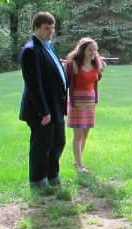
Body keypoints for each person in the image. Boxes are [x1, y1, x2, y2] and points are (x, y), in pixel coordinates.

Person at [19, 12, 68, 193]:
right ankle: (38, 180)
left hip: (55, 107)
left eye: (53, 27)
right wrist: (44, 112)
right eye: (47, 28)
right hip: (42, 110)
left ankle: (52, 175)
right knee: (41, 146)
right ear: (36, 28)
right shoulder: (31, 50)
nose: (51, 31)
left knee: (58, 141)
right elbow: (34, 85)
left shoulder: (47, 47)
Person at [65, 37, 106, 173]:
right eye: (90, 50)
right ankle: (80, 165)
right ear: (82, 50)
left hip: (90, 103)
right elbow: (67, 76)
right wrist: (68, 66)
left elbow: (96, 79)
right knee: (77, 135)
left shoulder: (96, 65)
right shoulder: (74, 65)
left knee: (85, 134)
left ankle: (78, 162)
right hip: (77, 103)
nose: (93, 52)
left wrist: (102, 68)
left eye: (95, 50)